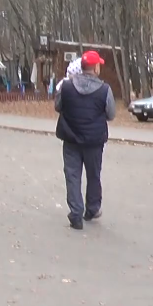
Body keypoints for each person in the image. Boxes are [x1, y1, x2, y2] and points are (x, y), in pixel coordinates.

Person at [55, 51, 116, 230]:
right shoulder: (105, 90)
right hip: (94, 140)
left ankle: (76, 213)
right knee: (93, 174)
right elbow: (111, 114)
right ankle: (92, 208)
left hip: (71, 138)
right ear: (95, 67)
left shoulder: (66, 87)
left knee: (72, 175)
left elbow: (58, 106)